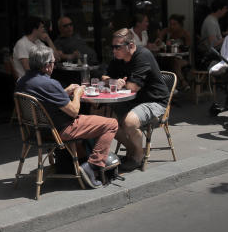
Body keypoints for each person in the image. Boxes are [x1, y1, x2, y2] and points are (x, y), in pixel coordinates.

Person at [15, 46, 118, 188]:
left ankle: (82, 162)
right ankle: (93, 166)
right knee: (111, 123)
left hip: (35, 131)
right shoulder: (50, 84)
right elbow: (74, 111)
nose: (54, 65)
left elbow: (42, 100)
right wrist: (77, 93)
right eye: (53, 62)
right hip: (59, 131)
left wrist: (64, 92)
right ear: (46, 66)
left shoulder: (22, 81)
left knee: (90, 121)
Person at [104, 28, 170, 172]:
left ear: (131, 46)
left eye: (118, 47)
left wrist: (119, 83)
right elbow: (104, 77)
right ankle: (133, 148)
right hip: (132, 102)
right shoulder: (118, 58)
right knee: (105, 121)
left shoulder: (142, 56)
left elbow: (133, 87)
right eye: (112, 47)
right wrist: (114, 81)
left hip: (155, 102)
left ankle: (138, 156)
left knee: (129, 122)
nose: (114, 50)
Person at [155, 14, 192, 90]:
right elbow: (158, 41)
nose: (172, 26)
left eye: (174, 24)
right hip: (167, 58)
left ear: (180, 24)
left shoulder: (185, 34)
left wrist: (180, 47)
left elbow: (188, 48)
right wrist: (159, 40)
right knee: (171, 62)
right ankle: (180, 84)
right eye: (171, 24)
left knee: (175, 62)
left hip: (182, 58)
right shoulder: (167, 31)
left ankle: (181, 83)